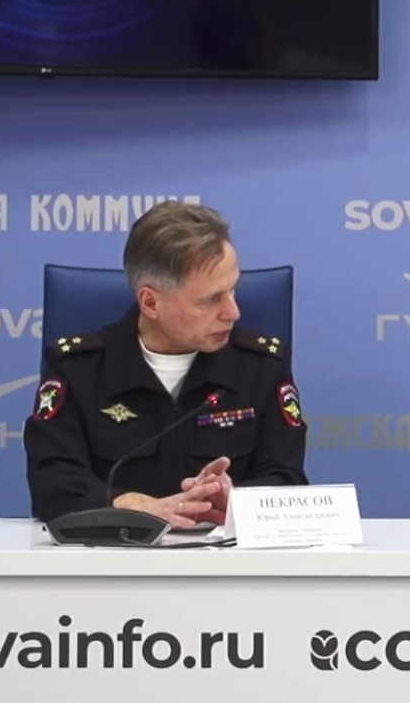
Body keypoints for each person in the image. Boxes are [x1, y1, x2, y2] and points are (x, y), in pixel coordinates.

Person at [25, 201, 308, 528]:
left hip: (226, 554)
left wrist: (236, 500)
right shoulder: (77, 368)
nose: (233, 312)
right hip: (113, 552)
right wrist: (135, 506)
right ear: (150, 303)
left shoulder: (261, 365)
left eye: (233, 289)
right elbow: (52, 484)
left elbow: (287, 478)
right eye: (210, 299)